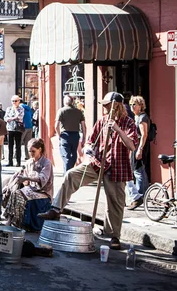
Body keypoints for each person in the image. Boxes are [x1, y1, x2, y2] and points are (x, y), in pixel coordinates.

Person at [39, 92, 137, 250]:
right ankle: (56, 209)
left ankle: (113, 236)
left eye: (107, 104)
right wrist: (88, 148)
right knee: (71, 175)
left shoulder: (128, 123)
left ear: (116, 106)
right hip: (99, 162)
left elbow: (132, 145)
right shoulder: (102, 121)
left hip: (118, 165)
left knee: (115, 203)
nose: (104, 107)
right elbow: (91, 140)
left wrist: (117, 129)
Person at [3, 138, 53, 231]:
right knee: (15, 192)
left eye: (33, 151)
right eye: (29, 151)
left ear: (40, 149)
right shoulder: (29, 162)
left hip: (43, 191)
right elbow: (26, 182)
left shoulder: (46, 163)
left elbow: (42, 179)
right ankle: (11, 219)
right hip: (31, 189)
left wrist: (26, 178)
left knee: (19, 194)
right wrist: (21, 180)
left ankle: (14, 221)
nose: (31, 153)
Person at [125, 95, 150, 210]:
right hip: (135, 147)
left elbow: (144, 134)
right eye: (131, 104)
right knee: (139, 170)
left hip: (139, 147)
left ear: (141, 106)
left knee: (138, 171)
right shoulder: (136, 117)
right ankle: (143, 195)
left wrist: (140, 149)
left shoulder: (142, 117)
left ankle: (140, 195)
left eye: (134, 104)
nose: (132, 106)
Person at [55, 95, 87, 173]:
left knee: (66, 156)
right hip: (75, 135)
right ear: (72, 102)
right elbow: (84, 126)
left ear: (64, 102)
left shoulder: (61, 111)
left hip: (65, 135)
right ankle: (69, 172)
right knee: (73, 154)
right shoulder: (79, 112)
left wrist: (59, 135)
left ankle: (67, 174)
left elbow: (56, 126)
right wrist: (84, 138)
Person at [4, 95, 24, 167]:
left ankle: (18, 162)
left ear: (19, 101)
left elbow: (19, 117)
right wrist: (13, 118)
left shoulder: (21, 109)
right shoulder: (9, 109)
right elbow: (6, 118)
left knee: (18, 146)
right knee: (10, 146)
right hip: (10, 129)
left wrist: (12, 118)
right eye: (13, 101)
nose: (14, 102)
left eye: (15, 101)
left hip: (18, 129)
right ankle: (10, 161)